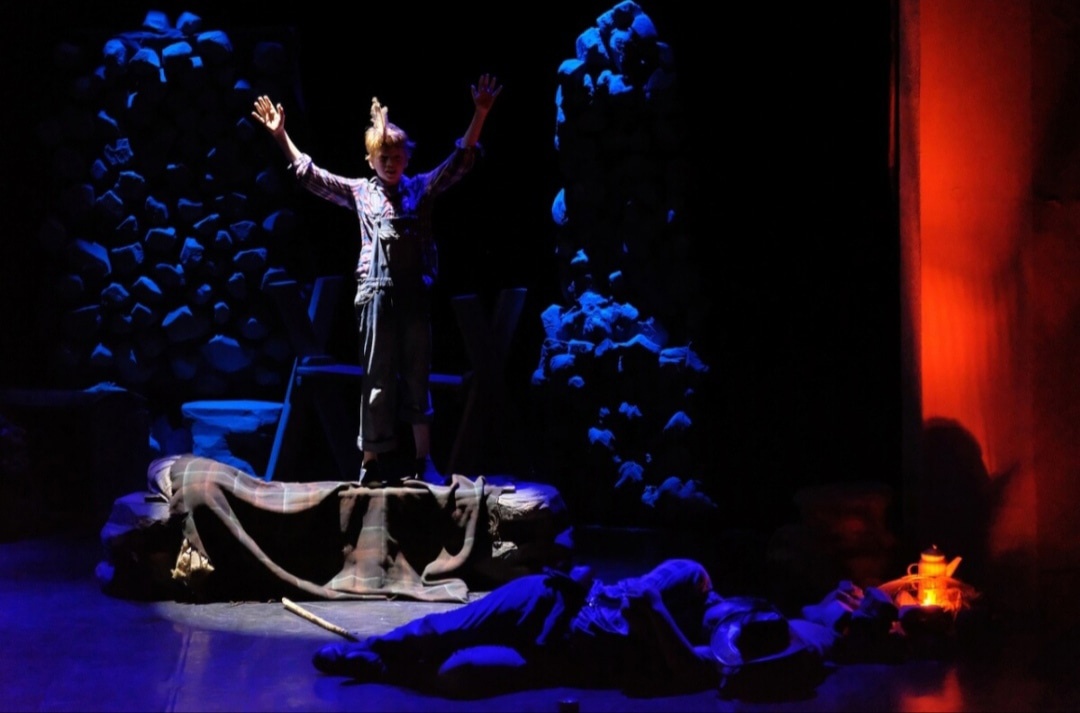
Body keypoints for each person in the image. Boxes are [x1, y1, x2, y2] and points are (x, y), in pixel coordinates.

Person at [251, 75, 503, 486]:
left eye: (397, 155)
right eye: (383, 156)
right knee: (377, 378)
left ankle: (423, 460)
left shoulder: (419, 189)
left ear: (406, 158)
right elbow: (312, 176)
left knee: (417, 376)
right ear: (371, 160)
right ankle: (370, 463)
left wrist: (480, 114)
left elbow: (458, 162)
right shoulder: (360, 192)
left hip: (413, 293)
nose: (390, 162)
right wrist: (282, 137)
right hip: (374, 295)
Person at [311, 558, 836, 699]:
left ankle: (383, 668)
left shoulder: (707, 651)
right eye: (728, 622)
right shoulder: (693, 579)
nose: (721, 628)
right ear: (735, 604)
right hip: (552, 605)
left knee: (459, 676)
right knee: (445, 631)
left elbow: (702, 673)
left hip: (558, 658)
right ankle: (374, 650)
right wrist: (677, 650)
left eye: (730, 633)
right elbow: (644, 600)